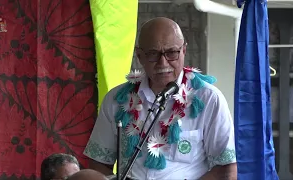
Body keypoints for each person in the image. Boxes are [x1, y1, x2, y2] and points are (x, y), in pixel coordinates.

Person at [83, 17, 237, 180]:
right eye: (153, 54)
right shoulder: (116, 99)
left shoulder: (208, 99)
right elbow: (98, 163)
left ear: (183, 50)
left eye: (171, 53)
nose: (163, 63)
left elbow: (226, 170)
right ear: (140, 55)